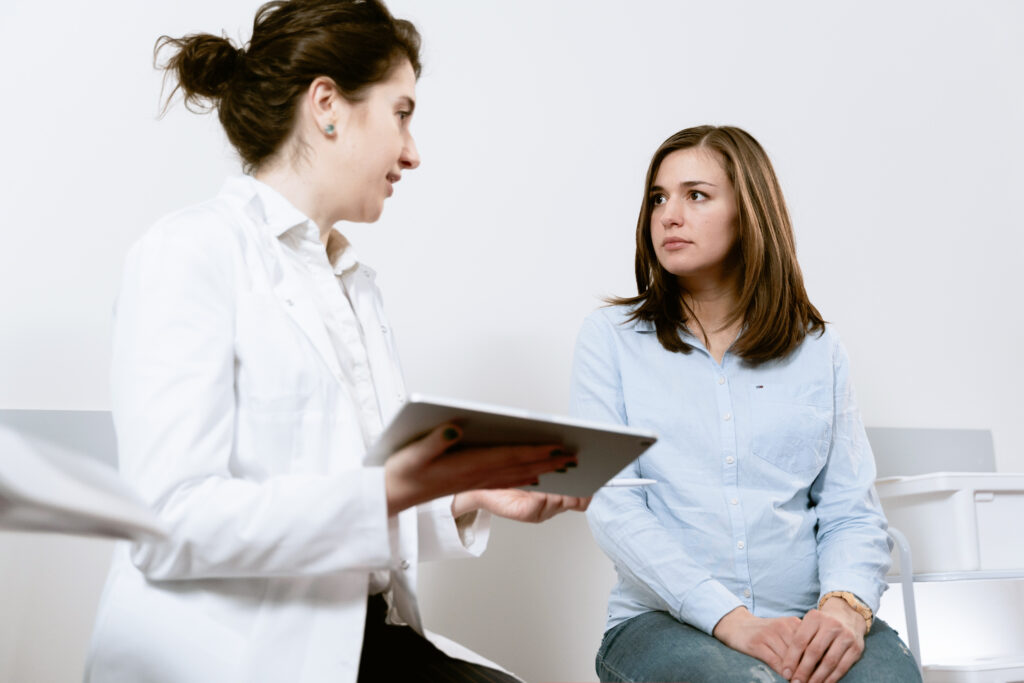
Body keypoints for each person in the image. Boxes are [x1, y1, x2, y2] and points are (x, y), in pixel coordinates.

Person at [84, 2, 587, 681]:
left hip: (357, 637)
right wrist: (389, 486)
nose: (413, 151)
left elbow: (351, 509)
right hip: (235, 654)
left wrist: (469, 492)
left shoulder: (351, 282)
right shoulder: (189, 252)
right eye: (401, 113)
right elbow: (170, 521)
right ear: (328, 104)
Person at [570, 125, 920, 683]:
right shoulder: (610, 338)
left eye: (696, 195)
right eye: (658, 197)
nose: (668, 214)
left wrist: (845, 607)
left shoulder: (818, 349)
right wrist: (731, 620)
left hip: (809, 615)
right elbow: (614, 509)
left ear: (749, 212)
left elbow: (850, 509)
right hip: (663, 624)